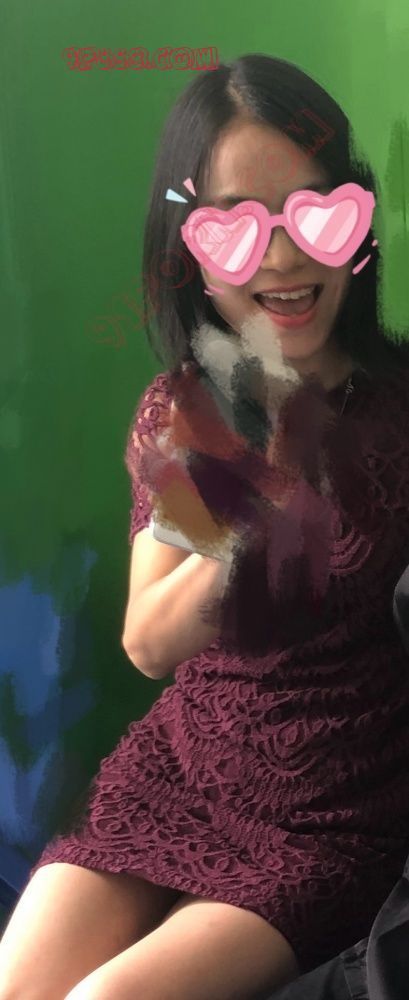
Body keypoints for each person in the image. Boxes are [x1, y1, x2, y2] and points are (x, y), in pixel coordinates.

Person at [2, 52, 409, 1000]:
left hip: (328, 816)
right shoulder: (196, 417)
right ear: (194, 250)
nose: (283, 259)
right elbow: (150, 642)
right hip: (181, 772)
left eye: (311, 213)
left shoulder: (399, 411)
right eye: (240, 227)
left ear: (353, 222)